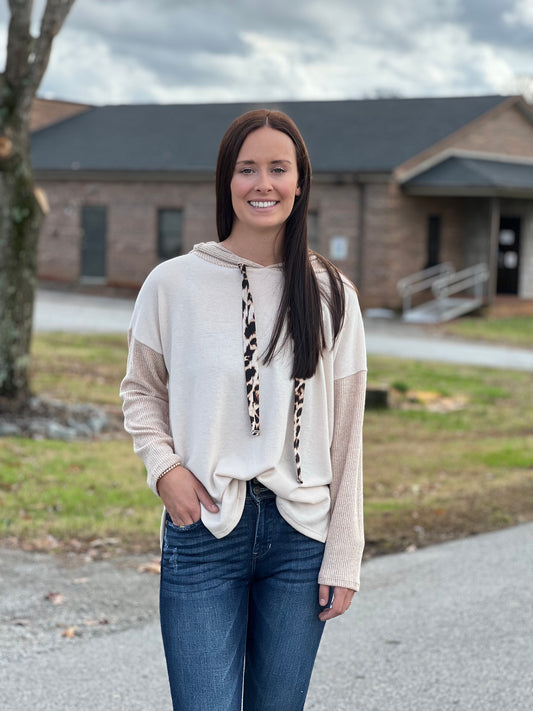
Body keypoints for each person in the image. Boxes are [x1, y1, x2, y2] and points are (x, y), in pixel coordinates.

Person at [120, 108, 367, 711]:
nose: (263, 184)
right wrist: (164, 469)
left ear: (300, 181)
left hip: (301, 536)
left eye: (278, 169)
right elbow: (142, 391)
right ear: (226, 182)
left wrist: (344, 554)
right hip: (204, 526)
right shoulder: (172, 285)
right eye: (247, 168)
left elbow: (348, 433)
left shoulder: (333, 294)